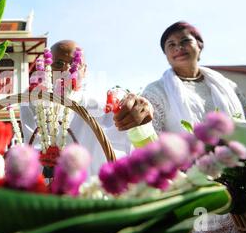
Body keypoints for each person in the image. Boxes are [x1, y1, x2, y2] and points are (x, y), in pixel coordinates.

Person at [114, 21, 246, 233]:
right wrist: (141, 116)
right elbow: (148, 125)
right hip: (196, 192)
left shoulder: (226, 84)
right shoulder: (157, 90)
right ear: (166, 55)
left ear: (199, 45)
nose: (178, 47)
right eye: (171, 45)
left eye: (185, 40)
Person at [20, 40, 152, 176]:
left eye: (75, 65)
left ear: (85, 70)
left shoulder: (100, 101)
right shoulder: (34, 100)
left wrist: (139, 112)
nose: (66, 71)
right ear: (48, 68)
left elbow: (129, 119)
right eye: (58, 64)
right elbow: (33, 150)